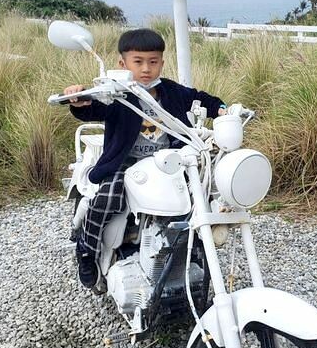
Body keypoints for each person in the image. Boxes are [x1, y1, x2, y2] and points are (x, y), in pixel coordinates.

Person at [64, 28, 226, 288]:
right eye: (138, 62)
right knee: (108, 197)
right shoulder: (116, 93)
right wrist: (78, 99)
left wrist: (223, 109)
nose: (146, 69)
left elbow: (199, 97)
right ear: (122, 63)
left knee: (203, 191)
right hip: (126, 162)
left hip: (169, 162)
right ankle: (86, 248)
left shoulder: (171, 92)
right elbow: (92, 107)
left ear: (162, 62)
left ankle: (188, 251)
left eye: (153, 62)